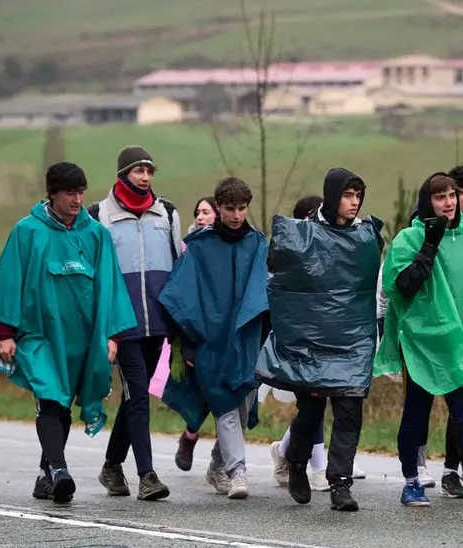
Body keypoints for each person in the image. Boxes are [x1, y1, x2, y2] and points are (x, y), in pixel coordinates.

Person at [0, 162, 137, 505]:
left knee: (63, 404)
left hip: (81, 340)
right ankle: (60, 470)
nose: (78, 199)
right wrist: (4, 332)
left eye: (81, 192)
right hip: (39, 337)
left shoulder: (96, 235)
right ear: (52, 193)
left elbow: (111, 287)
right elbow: (7, 281)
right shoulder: (27, 231)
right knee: (50, 397)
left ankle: (45, 473)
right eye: (70, 193)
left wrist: (113, 337)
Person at [375, 172, 463, 508]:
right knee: (417, 413)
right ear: (426, 202)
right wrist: (429, 244)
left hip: (462, 343)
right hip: (421, 343)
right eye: (439, 197)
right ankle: (411, 481)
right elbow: (401, 287)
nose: (448, 203)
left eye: (452, 195)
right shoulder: (407, 239)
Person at [257, 168, 383, 512]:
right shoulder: (303, 234)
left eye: (358, 195)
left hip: (352, 338)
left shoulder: (365, 236)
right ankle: (296, 462)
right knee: (311, 411)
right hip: (310, 340)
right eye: (348, 195)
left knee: (349, 409)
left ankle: (340, 482)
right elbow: (279, 277)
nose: (354, 202)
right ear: (331, 196)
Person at [158, 177, 269, 500]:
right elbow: (179, 296)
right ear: (218, 207)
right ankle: (238, 472)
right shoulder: (199, 247)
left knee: (244, 405)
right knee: (224, 406)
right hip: (211, 341)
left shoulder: (257, 243)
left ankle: (218, 465)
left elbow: (267, 292)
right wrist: (188, 344)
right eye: (230, 208)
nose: (237, 215)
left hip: (248, 340)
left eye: (242, 208)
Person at [89, 146, 177, 501]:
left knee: (134, 396)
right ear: (123, 174)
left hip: (157, 321)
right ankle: (147, 475)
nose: (145, 177)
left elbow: (176, 264)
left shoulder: (166, 212)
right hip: (121, 323)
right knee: (138, 393)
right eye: (139, 171)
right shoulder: (99, 215)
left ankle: (111, 465)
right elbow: (96, 274)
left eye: (149, 171)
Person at [269, 194, 334, 493]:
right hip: (297, 334)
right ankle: (318, 466)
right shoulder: (288, 248)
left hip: (325, 331)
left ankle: (284, 450)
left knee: (319, 399)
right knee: (312, 399)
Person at [173, 196, 223, 465]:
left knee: (227, 398)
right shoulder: (187, 249)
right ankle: (190, 435)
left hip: (225, 332)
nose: (200, 217)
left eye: (206, 212)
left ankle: (221, 458)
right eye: (197, 212)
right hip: (198, 332)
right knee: (204, 392)